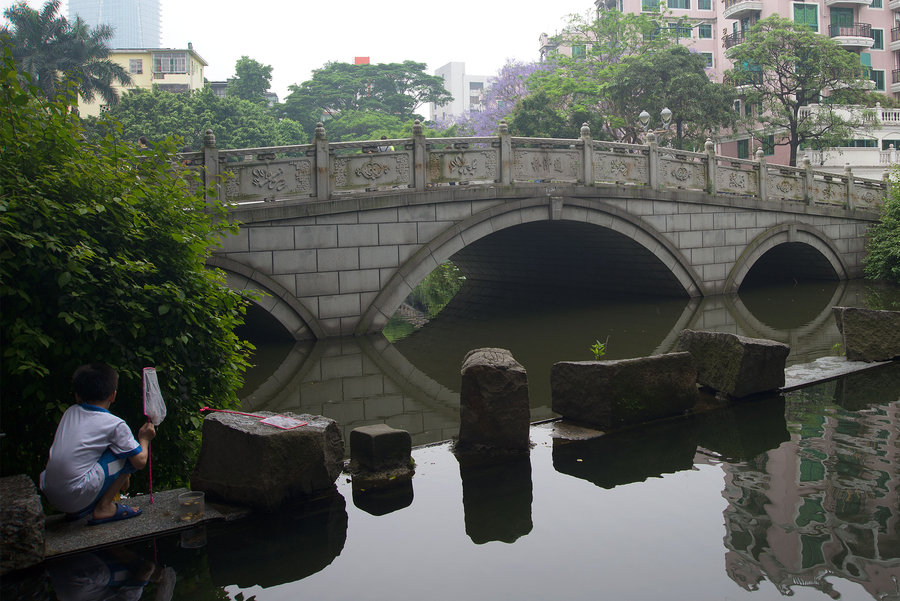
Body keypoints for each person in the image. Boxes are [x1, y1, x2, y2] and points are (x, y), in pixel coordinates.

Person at [40, 363, 156, 526]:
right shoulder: (114, 424)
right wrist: (144, 439)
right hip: (74, 494)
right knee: (128, 455)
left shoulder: (70, 412)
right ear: (113, 395)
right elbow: (140, 461)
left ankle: (78, 509)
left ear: (77, 396)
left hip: (51, 494)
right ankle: (105, 507)